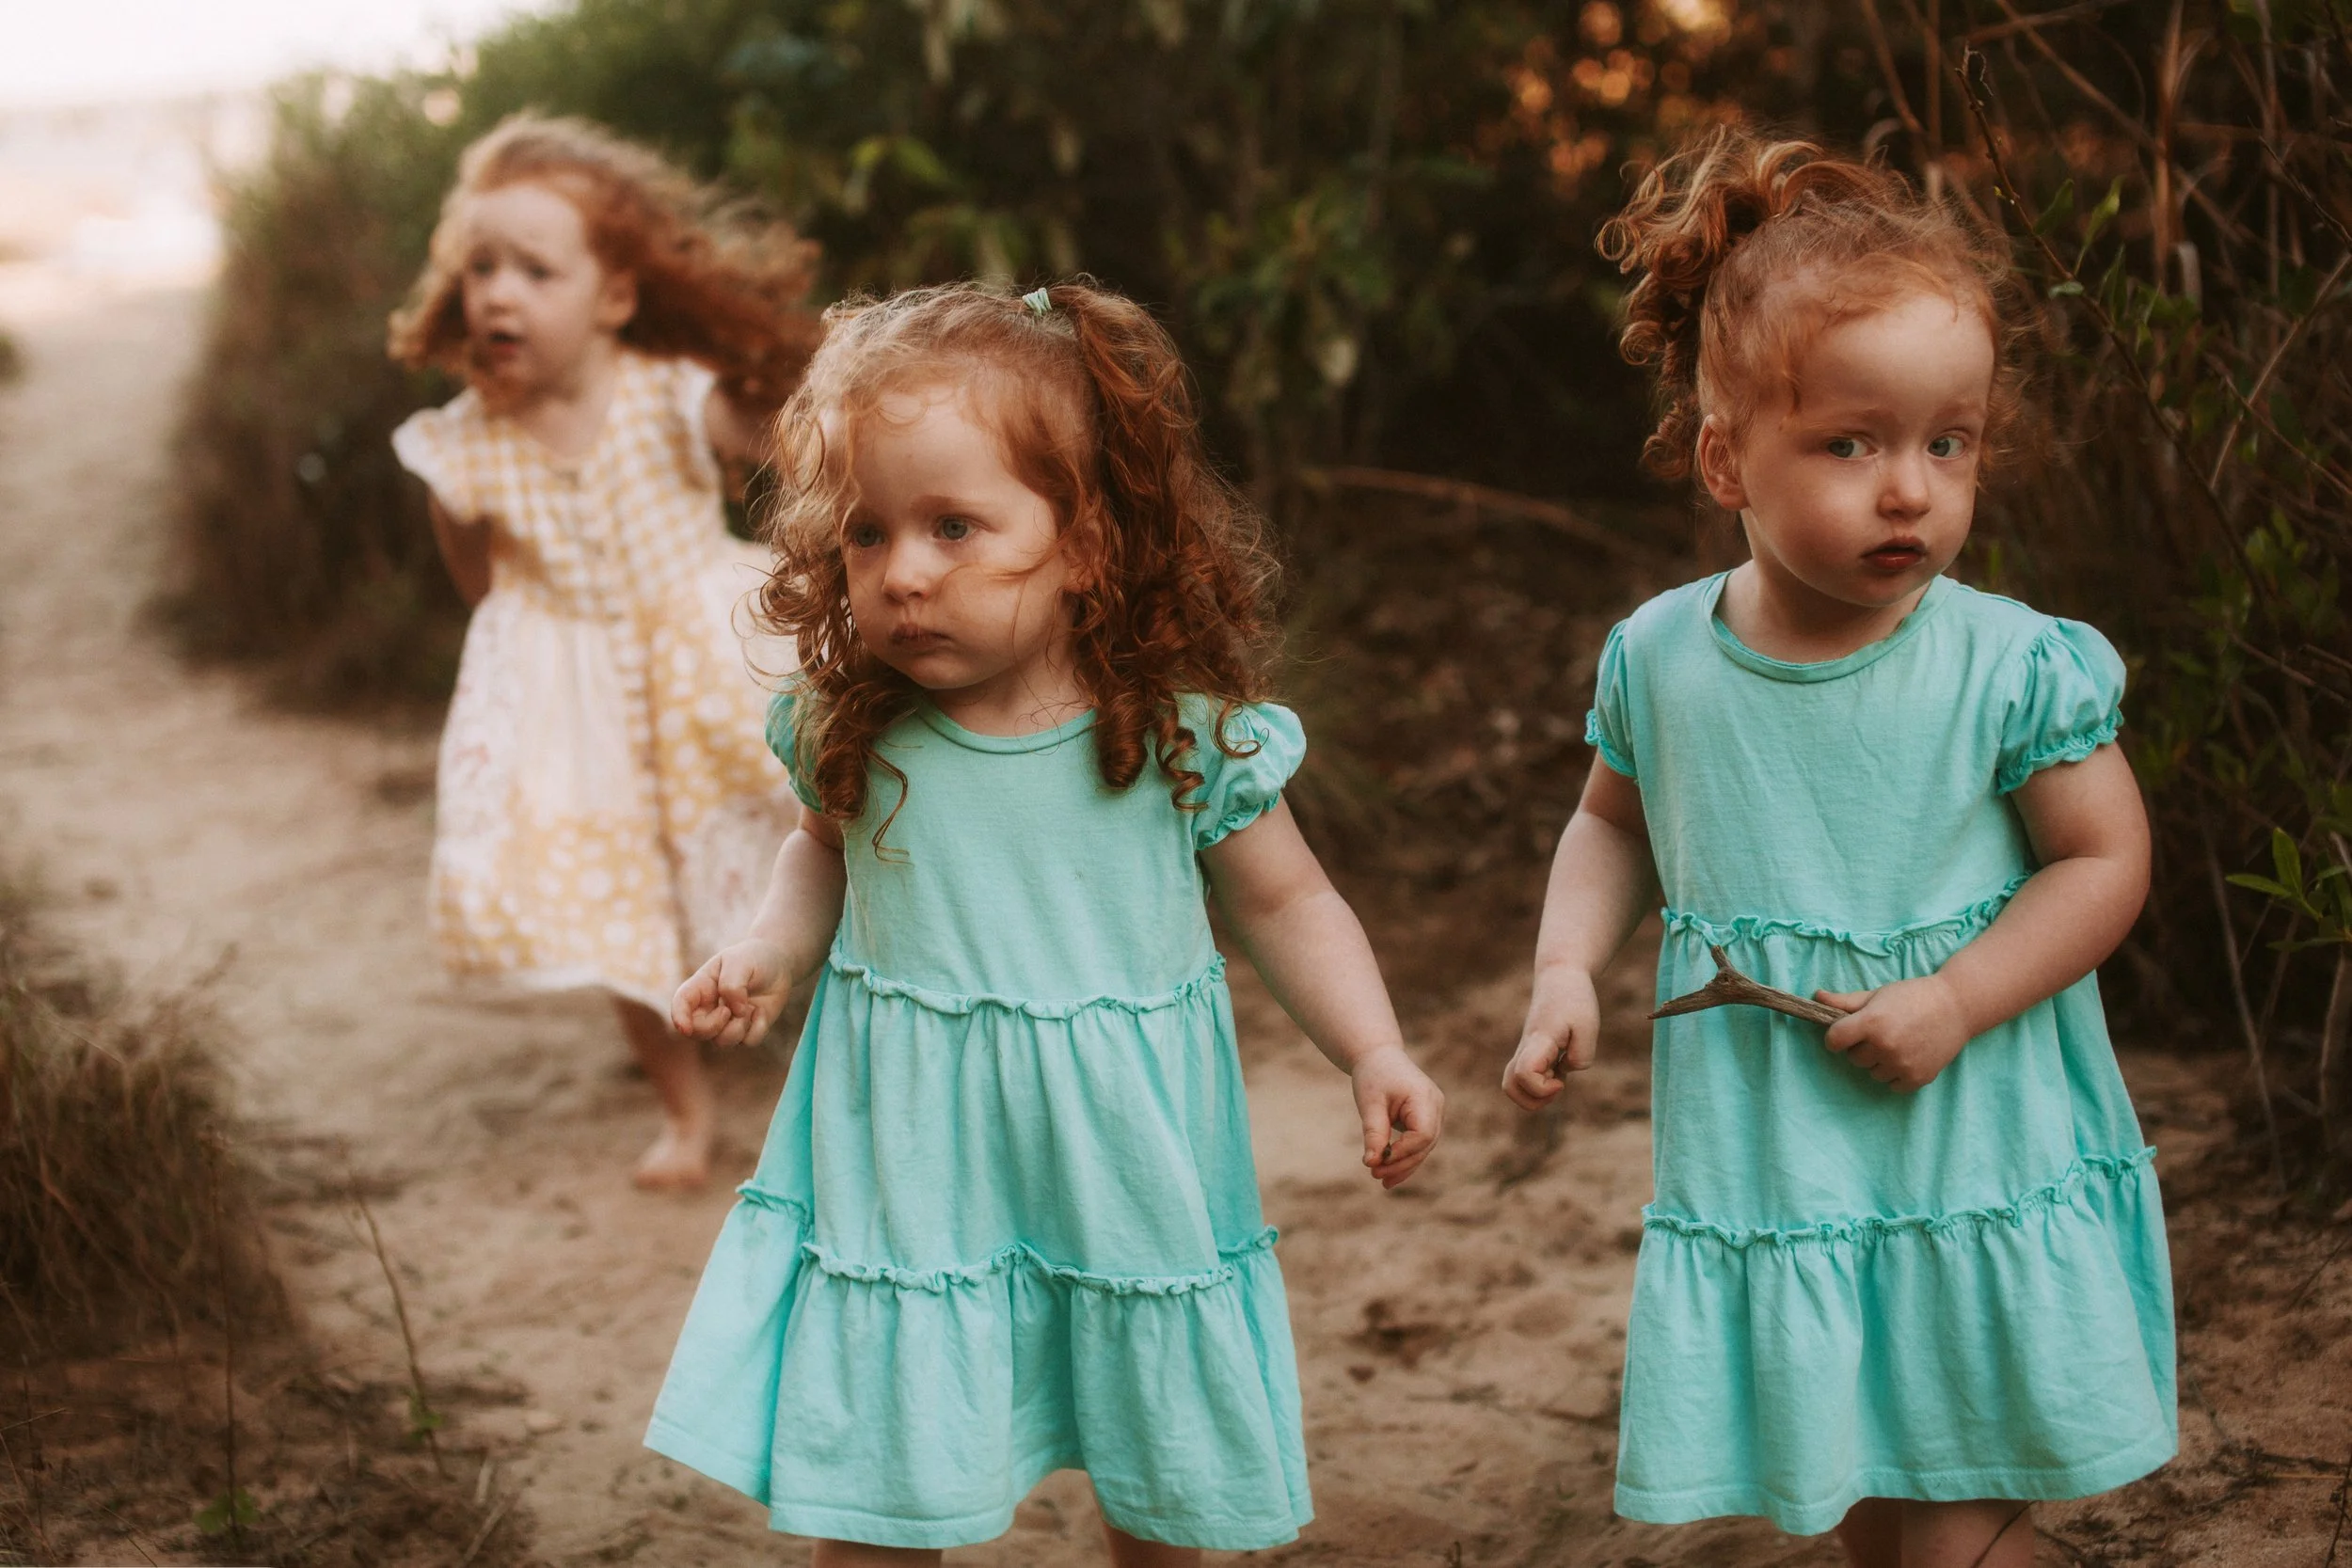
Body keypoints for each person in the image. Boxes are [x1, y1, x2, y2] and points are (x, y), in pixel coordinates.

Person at [644, 280, 1445, 1564]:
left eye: (954, 525)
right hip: (915, 1149)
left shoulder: (1175, 736)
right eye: (865, 532)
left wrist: (1375, 1048)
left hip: (1121, 1151)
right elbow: (818, 858)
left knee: (1151, 1452)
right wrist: (765, 953)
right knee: (887, 1458)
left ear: (1082, 541)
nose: (903, 572)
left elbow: (1290, 898)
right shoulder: (859, 727)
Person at [1502, 130, 2175, 1566]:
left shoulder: (2008, 665)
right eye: (1850, 443)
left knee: (1939, 1488)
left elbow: (2102, 862)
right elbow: (1612, 824)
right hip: (1784, 1145)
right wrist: (1569, 963)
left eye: (1949, 442)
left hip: (1967, 1119)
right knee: (1873, 1472)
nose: (1909, 489)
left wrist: (1959, 996)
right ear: (1721, 455)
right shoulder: (1663, 656)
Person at [386, 114, 820, 1189]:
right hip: (574, 704)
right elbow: (482, 585)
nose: (498, 291)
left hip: (710, 665)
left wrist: (785, 396)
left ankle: (824, 1056)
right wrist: (537, 660)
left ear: (613, 296)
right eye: (480, 266)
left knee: (798, 846)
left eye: (535, 268)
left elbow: (782, 442)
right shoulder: (466, 441)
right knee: (622, 913)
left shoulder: (666, 390)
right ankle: (685, 1112)